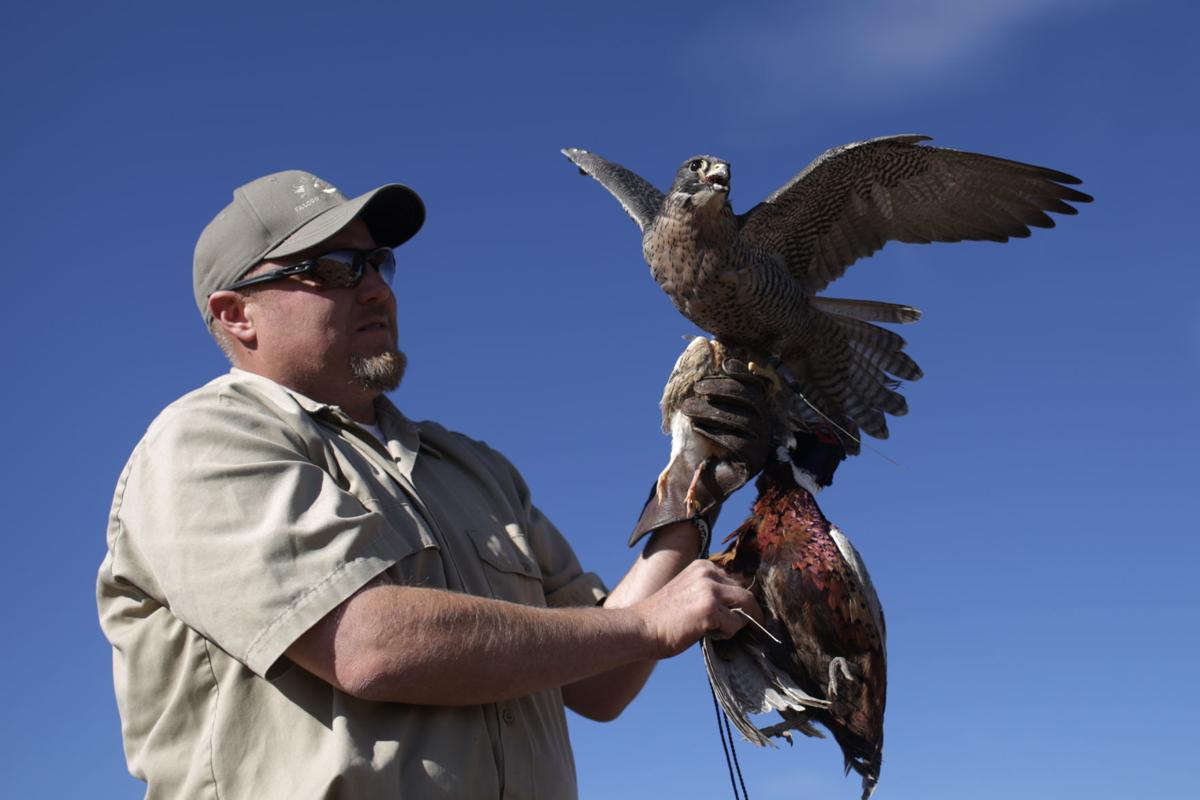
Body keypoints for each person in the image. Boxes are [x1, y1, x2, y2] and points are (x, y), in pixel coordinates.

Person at [97, 170, 772, 799]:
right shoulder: (205, 440)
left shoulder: (474, 468)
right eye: (332, 269)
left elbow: (601, 681)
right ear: (236, 313)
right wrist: (646, 624)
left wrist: (695, 483)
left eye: (377, 262)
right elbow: (366, 645)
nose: (375, 288)